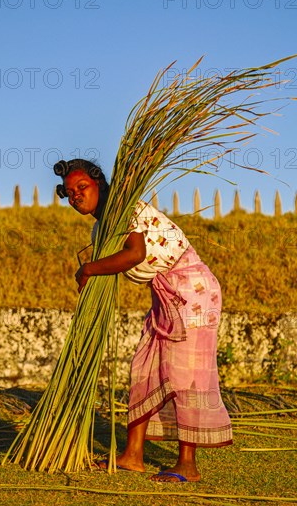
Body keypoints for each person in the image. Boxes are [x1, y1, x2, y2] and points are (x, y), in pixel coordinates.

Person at [54, 158, 233, 483]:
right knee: (143, 366)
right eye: (69, 193)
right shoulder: (101, 229)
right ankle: (133, 455)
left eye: (82, 187)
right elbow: (110, 266)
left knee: (185, 374)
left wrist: (90, 269)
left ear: (99, 185)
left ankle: (187, 465)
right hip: (164, 295)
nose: (76, 196)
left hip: (192, 291)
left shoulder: (124, 210)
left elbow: (134, 254)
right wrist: (88, 278)